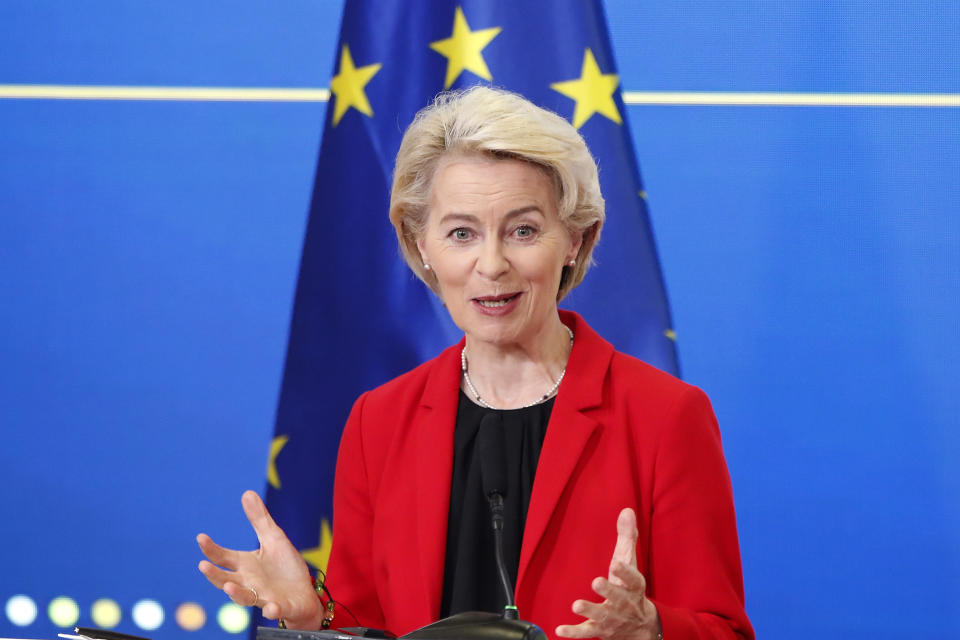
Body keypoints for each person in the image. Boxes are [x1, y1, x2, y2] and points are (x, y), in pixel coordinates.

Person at [197, 86, 754, 640]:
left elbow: (724, 631)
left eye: (523, 230)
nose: (491, 264)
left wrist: (651, 630)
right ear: (422, 248)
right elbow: (370, 628)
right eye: (461, 233)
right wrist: (313, 617)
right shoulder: (379, 421)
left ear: (576, 241)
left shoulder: (665, 416)